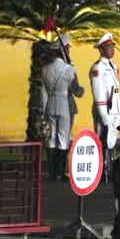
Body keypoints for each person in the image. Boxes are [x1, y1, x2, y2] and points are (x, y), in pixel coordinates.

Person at [40, 34, 84, 181]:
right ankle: (60, 171)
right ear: (63, 50)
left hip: (50, 104)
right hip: (63, 103)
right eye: (67, 49)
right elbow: (76, 90)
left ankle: (52, 172)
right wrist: (81, 90)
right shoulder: (68, 69)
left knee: (51, 138)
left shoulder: (45, 68)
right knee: (63, 137)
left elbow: (43, 92)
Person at [89, 33, 120, 167]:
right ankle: (102, 169)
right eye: (108, 47)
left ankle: (109, 167)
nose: (112, 49)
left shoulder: (113, 66)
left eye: (112, 46)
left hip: (114, 108)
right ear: (101, 49)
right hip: (105, 109)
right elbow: (98, 93)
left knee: (111, 141)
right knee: (102, 140)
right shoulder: (98, 68)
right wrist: (104, 115)